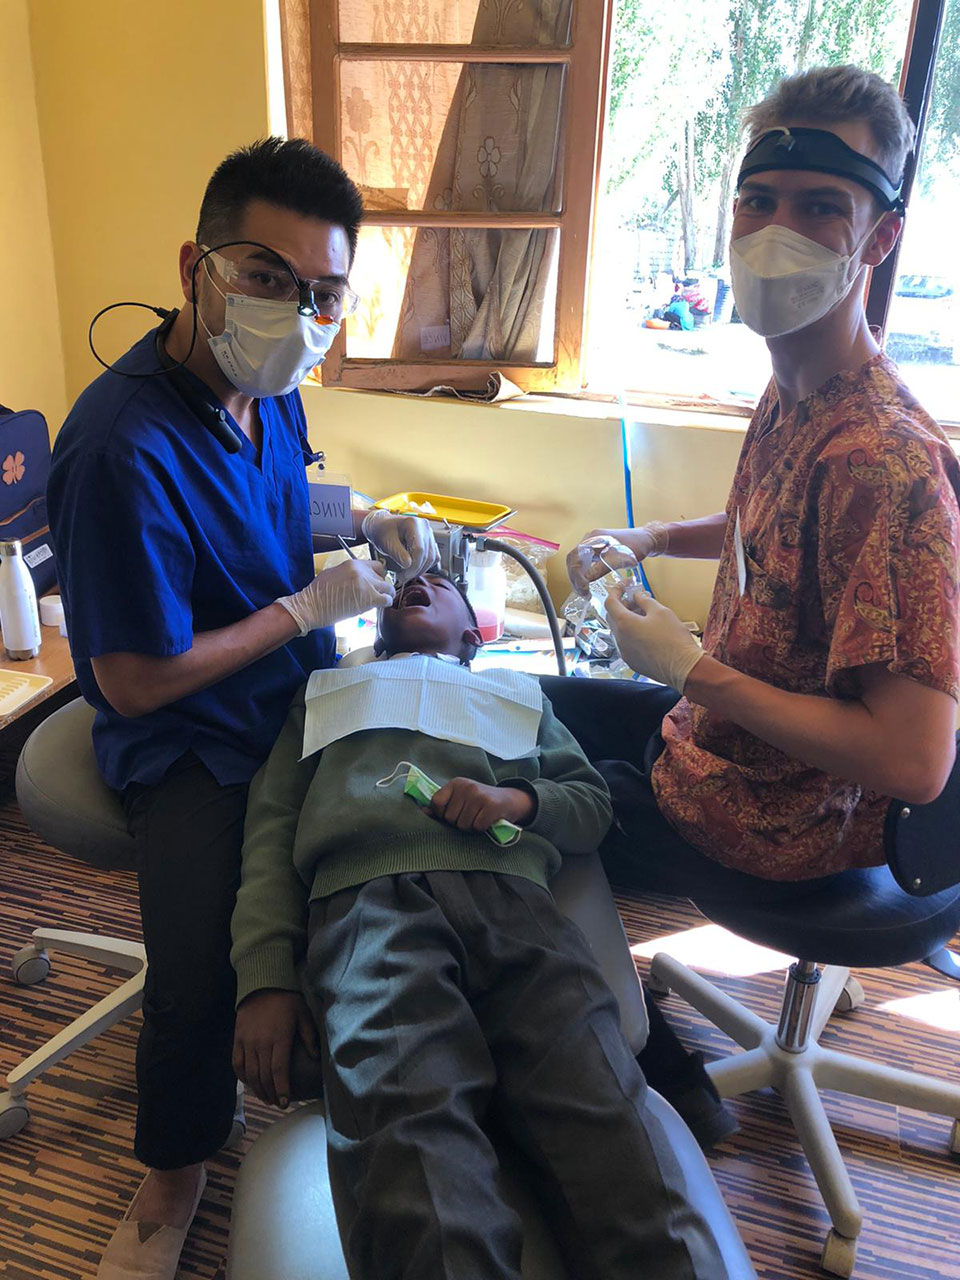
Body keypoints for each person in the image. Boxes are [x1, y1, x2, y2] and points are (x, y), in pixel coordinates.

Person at [48, 138, 439, 1280]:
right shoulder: (118, 448)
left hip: (292, 694)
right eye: (267, 276)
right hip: (188, 737)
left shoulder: (260, 392)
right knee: (199, 963)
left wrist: (361, 519)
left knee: (395, 854)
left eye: (321, 292)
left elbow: (271, 502)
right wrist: (307, 604)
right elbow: (129, 679)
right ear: (195, 268)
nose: (297, 311)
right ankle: (173, 1170)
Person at [558, 65, 960, 1141]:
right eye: (760, 198)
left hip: (782, 813)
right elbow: (762, 530)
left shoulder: (882, 459)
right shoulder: (799, 387)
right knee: (529, 712)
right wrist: (647, 536)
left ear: (877, 240)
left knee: (531, 813)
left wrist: (693, 669)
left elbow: (915, 760)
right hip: (724, 736)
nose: (776, 230)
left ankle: (660, 1075)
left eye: (822, 205)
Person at [230, 571, 738, 1280]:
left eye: (438, 584)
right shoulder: (325, 694)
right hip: (369, 907)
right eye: (407, 582)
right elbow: (269, 832)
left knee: (605, 1118)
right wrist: (264, 978)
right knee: (409, 1135)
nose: (416, 581)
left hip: (519, 912)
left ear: (475, 635)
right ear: (375, 631)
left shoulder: (517, 696)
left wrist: (517, 800)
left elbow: (589, 805)